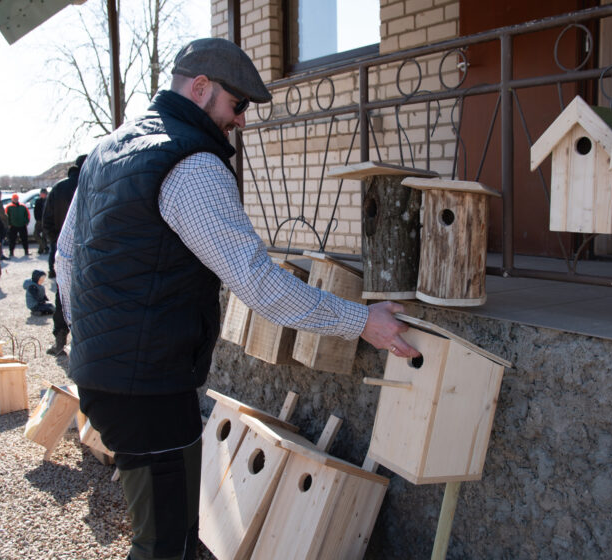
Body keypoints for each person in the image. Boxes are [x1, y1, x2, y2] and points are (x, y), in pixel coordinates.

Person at [56, 38, 419, 560]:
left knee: (166, 531)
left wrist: (91, 343)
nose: (242, 121)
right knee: (165, 545)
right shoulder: (190, 163)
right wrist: (361, 321)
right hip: (150, 389)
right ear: (200, 88)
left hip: (105, 378)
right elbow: (257, 283)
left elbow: (66, 258)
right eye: (237, 105)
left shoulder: (108, 149)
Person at [42, 155, 85, 356]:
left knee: (62, 296)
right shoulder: (93, 184)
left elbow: (47, 220)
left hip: (63, 249)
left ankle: (60, 339)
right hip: (89, 251)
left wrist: (56, 242)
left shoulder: (59, 188)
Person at [5, 193, 30, 257]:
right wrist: (9, 224)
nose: (15, 200)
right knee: (12, 239)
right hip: (13, 226)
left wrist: (26, 222)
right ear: (12, 199)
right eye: (14, 199)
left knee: (24, 239)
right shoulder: (9, 207)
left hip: (22, 225)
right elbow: (6, 216)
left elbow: (27, 215)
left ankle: (26, 251)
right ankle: (11, 252)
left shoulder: (23, 206)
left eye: (16, 198)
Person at [33, 189, 49, 254]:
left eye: (43, 193)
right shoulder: (38, 201)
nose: (42, 194)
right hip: (39, 221)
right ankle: (45, 247)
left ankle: (41, 249)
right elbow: (35, 211)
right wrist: (37, 219)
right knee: (36, 234)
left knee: (44, 236)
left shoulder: (48, 201)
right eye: (41, 193)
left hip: (46, 221)